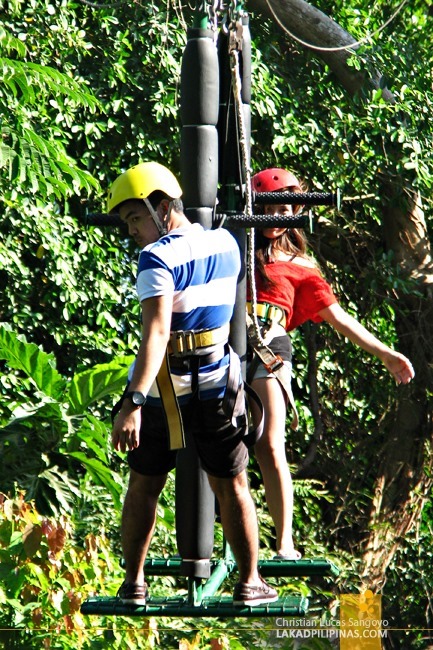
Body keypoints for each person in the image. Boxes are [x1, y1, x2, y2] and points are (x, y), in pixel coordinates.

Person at [107, 161, 278, 607]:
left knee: (145, 483)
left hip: (165, 391)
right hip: (218, 387)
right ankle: (251, 582)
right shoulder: (227, 244)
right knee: (232, 482)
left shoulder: (156, 258)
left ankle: (134, 583)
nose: (132, 232)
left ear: (163, 208)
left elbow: (157, 334)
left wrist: (133, 402)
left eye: (136, 219)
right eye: (128, 223)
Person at [247, 167, 415, 560]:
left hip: (267, 346)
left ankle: (284, 540)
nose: (276, 216)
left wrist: (386, 354)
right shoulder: (232, 243)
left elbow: (340, 319)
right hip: (223, 346)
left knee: (269, 444)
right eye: (268, 207)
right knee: (221, 445)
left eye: (284, 208)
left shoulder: (301, 266)